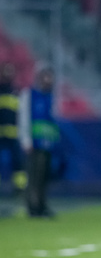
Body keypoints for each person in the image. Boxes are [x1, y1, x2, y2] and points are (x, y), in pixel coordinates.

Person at [18, 66, 60, 218]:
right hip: (34, 143)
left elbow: (52, 121)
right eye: (46, 77)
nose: (48, 81)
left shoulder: (49, 97)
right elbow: (24, 118)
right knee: (34, 175)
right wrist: (26, 139)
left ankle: (42, 204)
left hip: (47, 143)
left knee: (44, 176)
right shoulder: (30, 95)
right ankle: (32, 206)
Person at [0, 63, 26, 197]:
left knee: (18, 163)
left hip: (14, 133)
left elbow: (21, 114)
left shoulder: (16, 92)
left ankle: (20, 188)